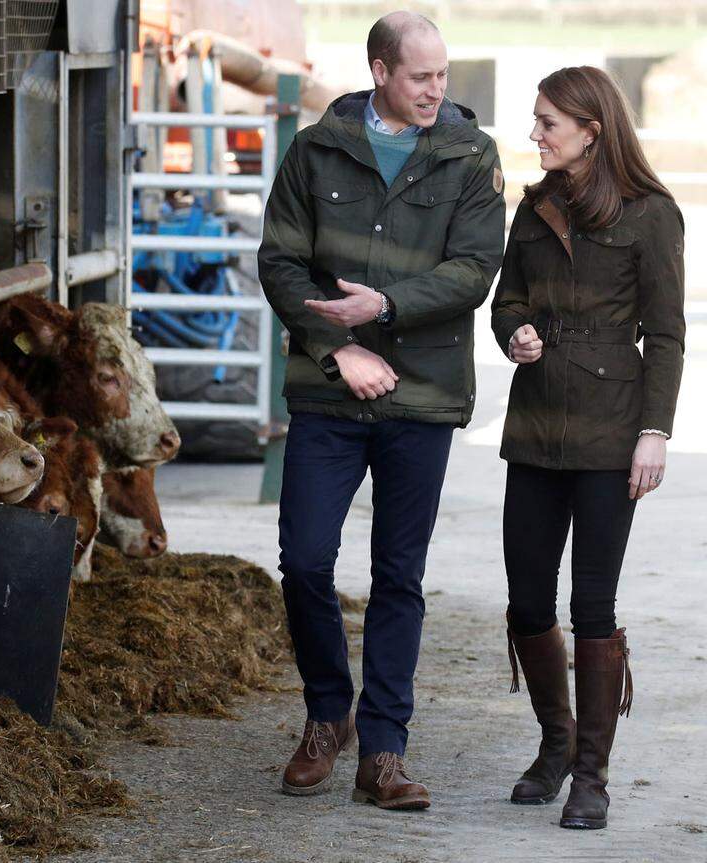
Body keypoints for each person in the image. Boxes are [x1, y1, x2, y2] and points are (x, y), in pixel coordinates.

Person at [258, 11, 505, 809]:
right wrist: (340, 348)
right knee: (304, 560)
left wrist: (386, 307)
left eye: (442, 75)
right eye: (420, 76)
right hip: (330, 394)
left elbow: (473, 270)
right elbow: (281, 260)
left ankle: (385, 748)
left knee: (400, 575)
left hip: (421, 397)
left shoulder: (471, 155)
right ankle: (329, 713)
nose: (437, 89)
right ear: (379, 71)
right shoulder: (315, 149)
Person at [491, 66, 684, 830]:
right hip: (535, 428)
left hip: (611, 432)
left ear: (590, 130)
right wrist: (516, 331)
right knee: (529, 598)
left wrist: (654, 432)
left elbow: (667, 334)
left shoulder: (652, 214)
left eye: (547, 123)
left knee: (592, 605)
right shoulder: (534, 207)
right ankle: (556, 741)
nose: (535, 134)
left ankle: (592, 778)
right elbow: (507, 295)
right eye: (536, 122)